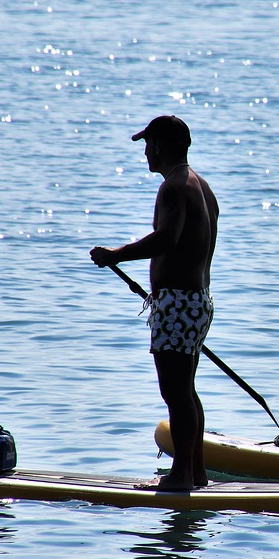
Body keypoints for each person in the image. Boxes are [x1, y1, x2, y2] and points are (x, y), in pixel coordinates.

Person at [90, 115, 219, 490]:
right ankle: (196, 473)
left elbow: (167, 238)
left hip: (178, 304)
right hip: (197, 302)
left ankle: (180, 477)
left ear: (162, 145)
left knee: (175, 393)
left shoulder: (174, 187)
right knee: (186, 390)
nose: (145, 151)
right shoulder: (202, 186)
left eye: (148, 143)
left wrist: (116, 254)